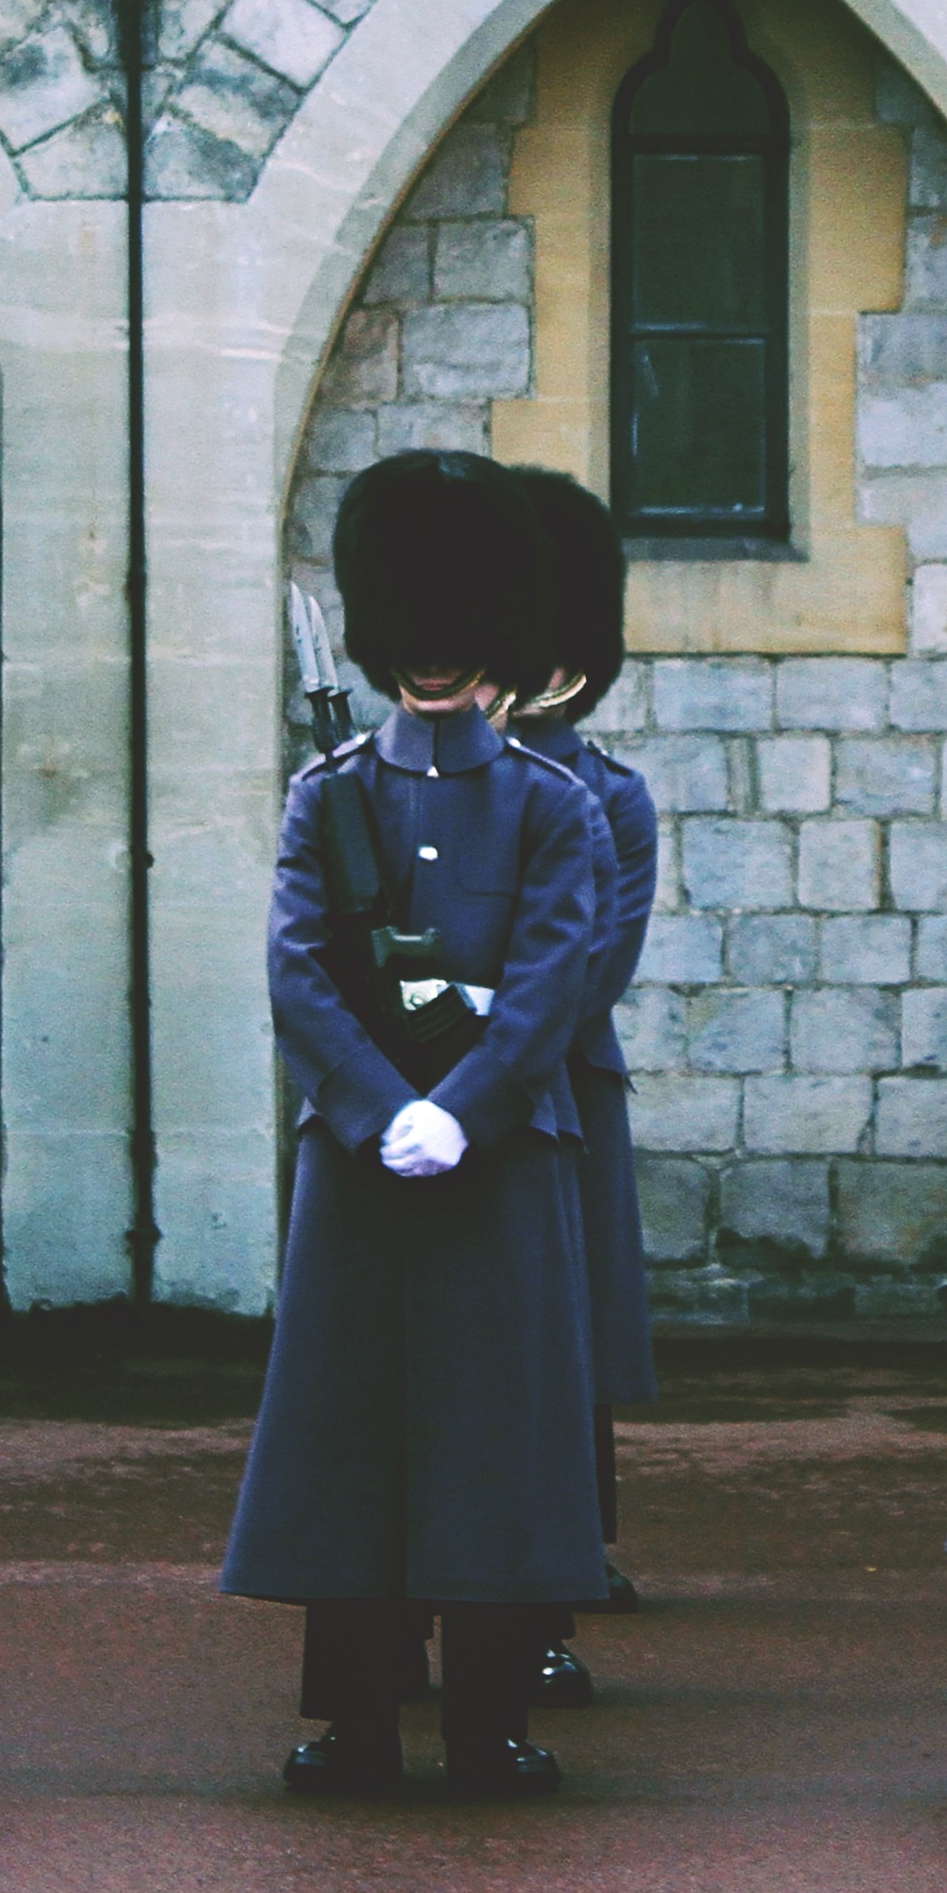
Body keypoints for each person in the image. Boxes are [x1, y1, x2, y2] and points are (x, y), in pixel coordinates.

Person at [224, 449, 611, 1797]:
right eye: (417, 633)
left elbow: (559, 973)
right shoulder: (327, 793)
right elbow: (298, 969)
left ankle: (492, 1719)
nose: (434, 660)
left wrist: (468, 1109)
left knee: (489, 1438)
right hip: (361, 1162)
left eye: (457, 634)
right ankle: (357, 1717)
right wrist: (384, 1107)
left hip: (498, 1165)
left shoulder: (551, 804)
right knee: (357, 1435)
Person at [506, 465, 662, 1689]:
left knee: (558, 1337)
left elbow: (590, 967)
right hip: (448, 1089)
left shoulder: (609, 795)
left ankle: (564, 1556)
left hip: (559, 1086)